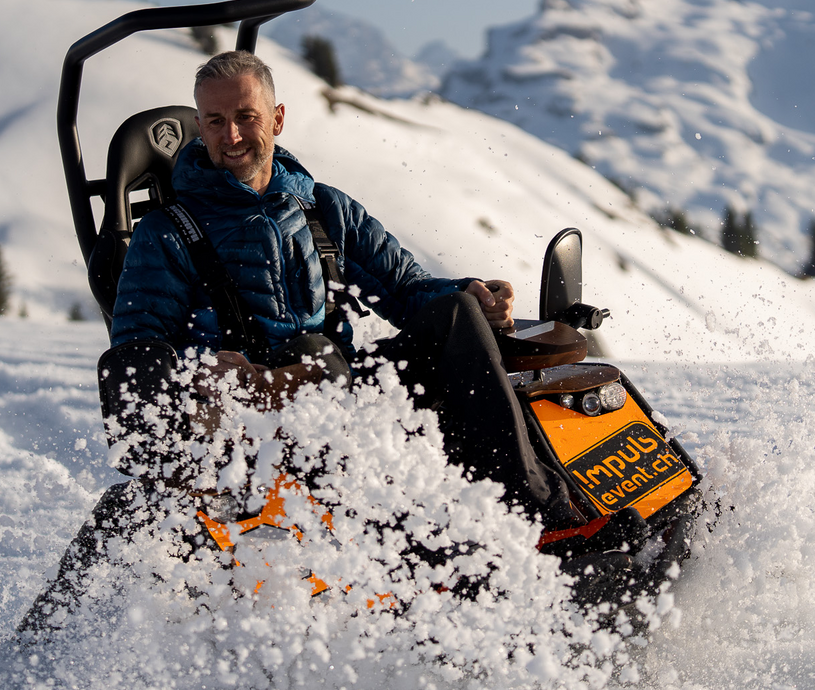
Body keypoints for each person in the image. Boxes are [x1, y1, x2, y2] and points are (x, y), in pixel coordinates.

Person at [106, 50, 583, 530]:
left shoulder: (324, 208)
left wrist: (475, 295)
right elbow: (136, 350)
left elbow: (405, 287)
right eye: (214, 121)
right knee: (313, 350)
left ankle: (536, 511)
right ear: (201, 126)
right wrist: (202, 372)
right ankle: (524, 523)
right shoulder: (167, 232)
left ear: (277, 120)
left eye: (246, 117)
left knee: (454, 313)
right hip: (255, 421)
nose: (230, 136)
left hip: (344, 394)